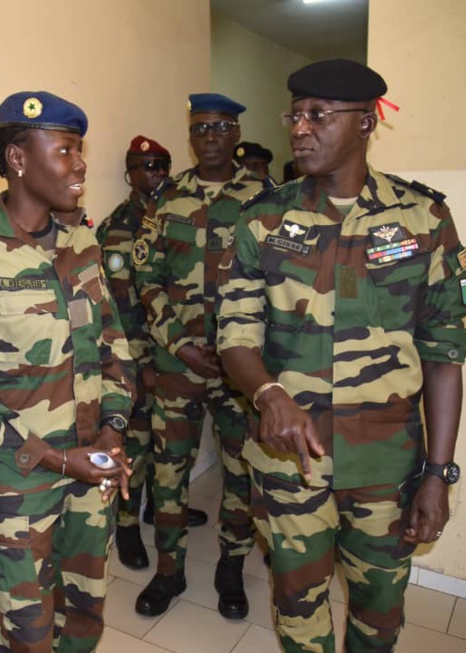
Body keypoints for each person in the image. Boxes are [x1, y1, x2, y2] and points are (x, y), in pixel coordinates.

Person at [216, 58, 466, 652]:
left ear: (366, 122)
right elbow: (235, 335)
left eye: (319, 116)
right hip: (290, 463)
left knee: (380, 616)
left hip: (388, 464)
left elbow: (444, 355)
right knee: (298, 613)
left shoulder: (424, 218)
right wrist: (268, 392)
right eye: (295, 115)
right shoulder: (262, 219)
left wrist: (438, 475)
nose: (300, 129)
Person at [0, 91, 135, 652]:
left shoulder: (81, 238)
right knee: (28, 632)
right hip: (21, 479)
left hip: (94, 468)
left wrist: (112, 431)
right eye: (64, 150)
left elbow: (113, 347)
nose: (80, 164)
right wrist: (57, 459)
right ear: (18, 158)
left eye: (80, 149)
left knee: (84, 616)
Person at [132, 93, 267, 619]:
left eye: (219, 127)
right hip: (178, 362)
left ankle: (231, 568)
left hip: (243, 367)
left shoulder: (265, 197)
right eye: (199, 128)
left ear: (235, 133)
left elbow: (279, 281)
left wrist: (245, 352)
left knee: (241, 469)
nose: (209, 136)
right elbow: (148, 277)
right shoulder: (167, 199)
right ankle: (170, 573)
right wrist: (180, 343)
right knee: (169, 470)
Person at [95, 135, 171, 570]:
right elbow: (117, 307)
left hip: (176, 358)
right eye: (144, 166)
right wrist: (137, 365)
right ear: (129, 172)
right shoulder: (115, 228)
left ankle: (158, 511)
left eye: (161, 165)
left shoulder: (178, 219)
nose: (154, 174)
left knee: (169, 443)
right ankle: (126, 527)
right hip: (139, 360)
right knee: (137, 445)